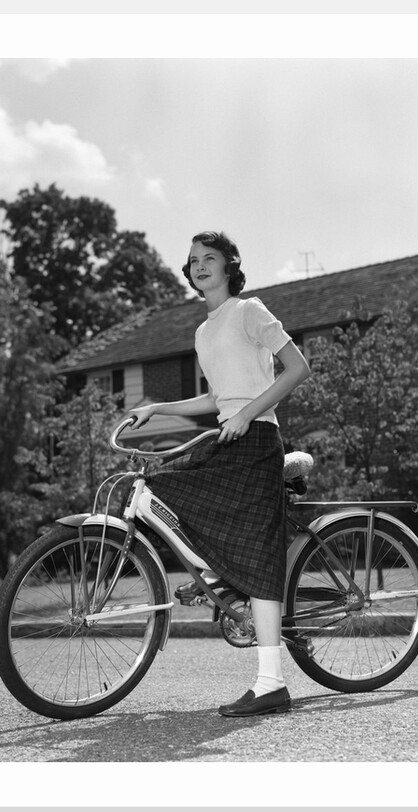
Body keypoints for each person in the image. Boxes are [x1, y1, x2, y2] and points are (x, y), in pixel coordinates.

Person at [128, 231, 311, 717]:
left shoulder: (249, 311)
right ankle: (223, 577)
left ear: (230, 266)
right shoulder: (203, 332)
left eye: (209, 258)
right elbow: (215, 398)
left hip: (256, 439)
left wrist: (248, 414)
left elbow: (297, 368)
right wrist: (157, 408)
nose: (200, 266)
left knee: (258, 555)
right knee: (162, 489)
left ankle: (271, 684)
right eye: (193, 260)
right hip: (229, 436)